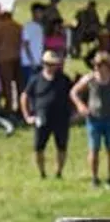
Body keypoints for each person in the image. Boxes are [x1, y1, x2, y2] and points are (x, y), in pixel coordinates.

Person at [22, 50, 73, 179]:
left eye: (53, 64)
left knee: (61, 147)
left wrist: (75, 112)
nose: (51, 67)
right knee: (38, 147)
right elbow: (24, 96)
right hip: (42, 118)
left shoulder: (64, 79)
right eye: (48, 64)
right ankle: (42, 173)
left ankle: (59, 172)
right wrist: (27, 116)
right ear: (43, 64)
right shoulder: (35, 79)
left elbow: (73, 95)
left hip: (61, 118)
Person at [73, 51, 110, 187]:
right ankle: (94, 178)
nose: (98, 68)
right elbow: (74, 92)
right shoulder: (90, 79)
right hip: (94, 119)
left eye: (101, 65)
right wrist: (80, 106)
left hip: (109, 118)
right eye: (96, 65)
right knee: (94, 149)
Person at [0, 9, 23, 111]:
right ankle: (20, 106)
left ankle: (8, 106)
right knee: (19, 84)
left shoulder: (1, 27)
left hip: (5, 58)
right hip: (18, 57)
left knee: (7, 83)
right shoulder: (19, 26)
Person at [21, 4, 47, 89]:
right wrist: (32, 60)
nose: (41, 15)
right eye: (39, 12)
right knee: (29, 88)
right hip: (29, 63)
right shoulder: (28, 26)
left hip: (38, 62)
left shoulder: (41, 27)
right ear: (34, 13)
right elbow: (25, 44)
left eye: (42, 12)